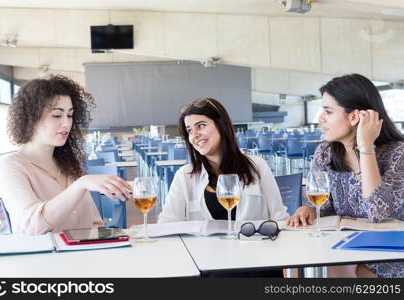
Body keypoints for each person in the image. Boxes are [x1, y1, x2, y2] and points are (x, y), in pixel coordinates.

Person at [286, 73, 404, 278]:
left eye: (328, 111)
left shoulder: (398, 153)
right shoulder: (325, 153)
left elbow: (377, 212)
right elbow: (324, 206)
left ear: (354, 116)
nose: (320, 119)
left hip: (388, 254)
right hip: (341, 246)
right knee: (295, 267)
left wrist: (365, 146)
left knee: (357, 272)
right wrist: (308, 209)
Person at [0, 75, 132, 235]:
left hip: (83, 258)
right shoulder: (11, 166)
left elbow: (95, 223)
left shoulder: (68, 164)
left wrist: (118, 238)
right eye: (56, 115)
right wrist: (80, 185)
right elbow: (32, 226)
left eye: (69, 115)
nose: (66, 123)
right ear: (31, 118)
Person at [158, 97, 288, 225]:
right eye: (190, 130)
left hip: (253, 245)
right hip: (202, 247)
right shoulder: (184, 176)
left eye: (201, 125)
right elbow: (167, 223)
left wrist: (301, 215)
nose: (194, 135)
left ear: (221, 125)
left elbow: (280, 218)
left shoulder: (257, 166)